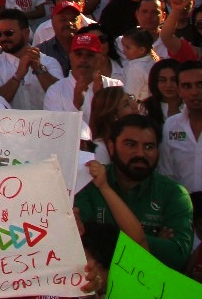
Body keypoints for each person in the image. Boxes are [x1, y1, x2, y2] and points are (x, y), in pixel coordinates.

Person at [75, 114, 194, 271]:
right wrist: (147, 243)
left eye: (149, 147)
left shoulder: (174, 194)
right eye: (131, 145)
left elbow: (177, 255)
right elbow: (79, 246)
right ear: (111, 147)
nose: (140, 153)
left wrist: (108, 239)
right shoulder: (89, 184)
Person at [158, 61, 202, 197]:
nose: (195, 92)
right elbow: (167, 173)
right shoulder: (171, 125)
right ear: (179, 91)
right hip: (183, 208)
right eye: (187, 86)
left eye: (200, 85)